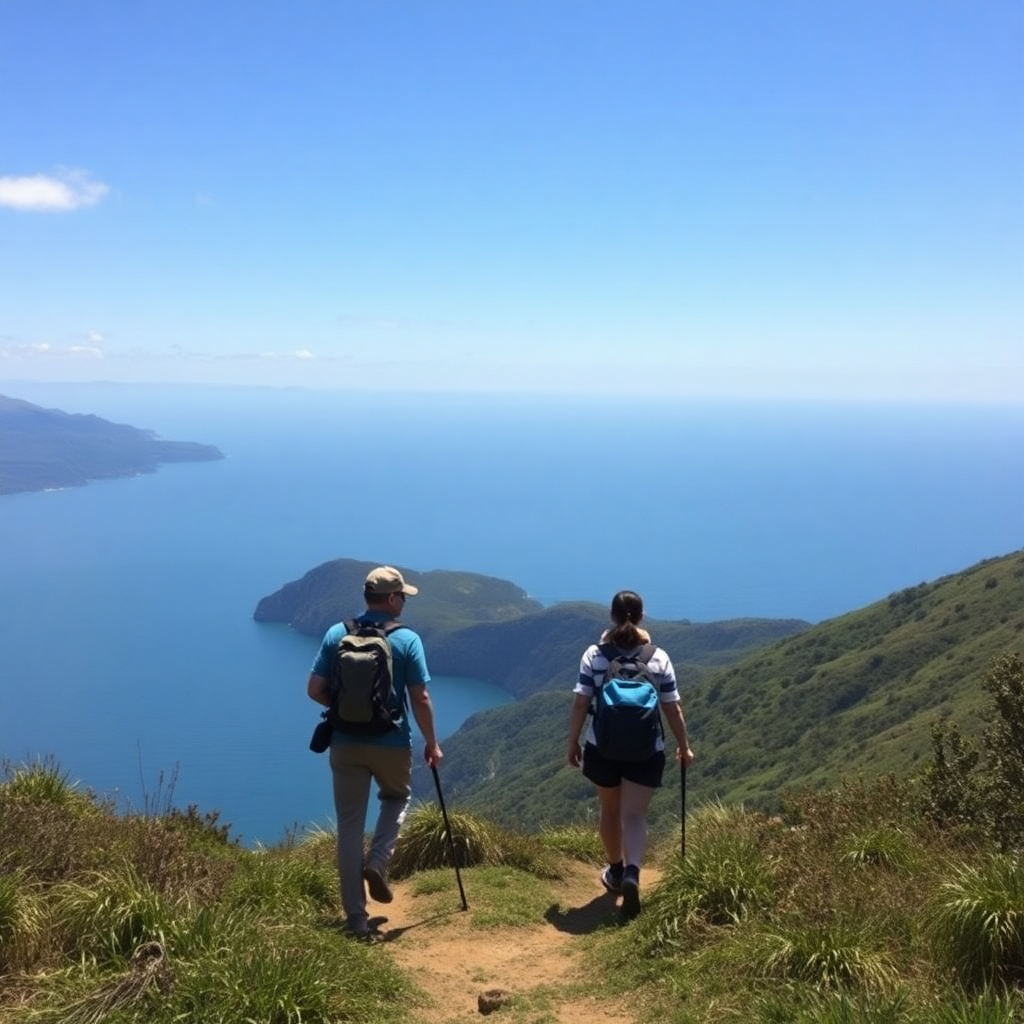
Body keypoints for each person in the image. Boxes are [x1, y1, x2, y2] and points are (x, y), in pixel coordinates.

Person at [306, 565, 443, 940]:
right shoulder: (406, 639)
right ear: (392, 598)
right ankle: (379, 861)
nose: (404, 603)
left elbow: (314, 688)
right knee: (397, 796)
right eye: (403, 597)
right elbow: (420, 696)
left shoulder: (338, 633)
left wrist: (344, 708)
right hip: (391, 742)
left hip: (345, 742)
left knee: (349, 826)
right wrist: (432, 743)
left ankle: (355, 918)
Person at [566, 589, 694, 919]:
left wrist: (572, 742)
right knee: (634, 815)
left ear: (611, 616)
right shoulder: (658, 656)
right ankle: (635, 873)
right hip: (646, 748)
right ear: (641, 615)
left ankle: (617, 872)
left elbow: (581, 701)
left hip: (602, 746)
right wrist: (684, 745)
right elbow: (672, 707)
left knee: (610, 810)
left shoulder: (594, 655)